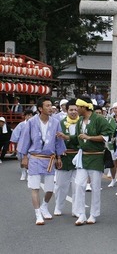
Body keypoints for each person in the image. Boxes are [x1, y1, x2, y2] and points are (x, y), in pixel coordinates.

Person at [19, 96, 66, 225]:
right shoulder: (31, 122)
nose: (50, 108)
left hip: (49, 158)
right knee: (35, 187)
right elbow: (25, 140)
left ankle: (44, 206)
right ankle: (38, 213)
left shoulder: (56, 122)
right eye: (47, 106)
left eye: (51, 105)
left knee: (50, 188)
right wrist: (24, 157)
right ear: (40, 108)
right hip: (34, 157)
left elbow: (58, 141)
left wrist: (59, 156)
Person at [73, 96, 113, 226]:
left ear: (84, 107)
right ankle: (81, 214)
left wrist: (89, 137)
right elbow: (78, 137)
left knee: (95, 187)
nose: (76, 110)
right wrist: (66, 137)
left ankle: (93, 214)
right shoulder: (79, 121)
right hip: (83, 156)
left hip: (96, 157)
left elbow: (107, 136)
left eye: (78, 107)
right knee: (79, 185)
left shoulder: (99, 119)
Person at [53, 99, 79, 217]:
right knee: (60, 185)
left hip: (79, 157)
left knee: (77, 185)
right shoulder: (60, 123)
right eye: (71, 110)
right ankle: (58, 206)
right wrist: (57, 155)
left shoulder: (83, 123)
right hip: (64, 157)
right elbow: (56, 141)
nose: (73, 112)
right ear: (66, 110)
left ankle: (76, 209)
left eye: (75, 109)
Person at [12, 110, 34, 179]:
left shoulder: (35, 124)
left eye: (31, 115)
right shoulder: (21, 125)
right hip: (22, 145)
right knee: (21, 160)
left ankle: (29, 173)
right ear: (25, 116)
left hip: (31, 145)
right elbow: (16, 134)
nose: (29, 117)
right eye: (28, 115)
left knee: (31, 160)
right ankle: (23, 172)